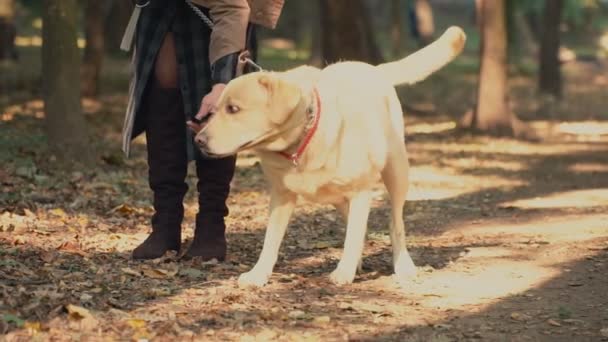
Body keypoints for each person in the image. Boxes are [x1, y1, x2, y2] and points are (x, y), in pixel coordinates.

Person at [120, 0, 284, 261]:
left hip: (227, 12)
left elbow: (233, 9)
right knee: (163, 81)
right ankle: (164, 225)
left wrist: (222, 84)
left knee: (217, 110)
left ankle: (211, 227)